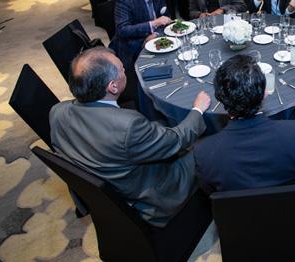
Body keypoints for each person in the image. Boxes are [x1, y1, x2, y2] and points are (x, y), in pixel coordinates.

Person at [50, 47, 210, 227]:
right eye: (122, 69)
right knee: (210, 145)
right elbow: (176, 140)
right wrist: (198, 109)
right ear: (113, 86)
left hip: (112, 181)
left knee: (160, 124)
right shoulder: (128, 126)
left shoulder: (57, 111)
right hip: (153, 195)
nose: (125, 70)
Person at [194, 55, 295, 193]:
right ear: (265, 93)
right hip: (290, 204)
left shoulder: (204, 152)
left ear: (220, 98)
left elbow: (210, 194)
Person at [109, 0, 171, 70]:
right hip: (133, 46)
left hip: (156, 41)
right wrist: (152, 25)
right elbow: (122, 30)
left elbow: (165, 17)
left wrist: (156, 33)